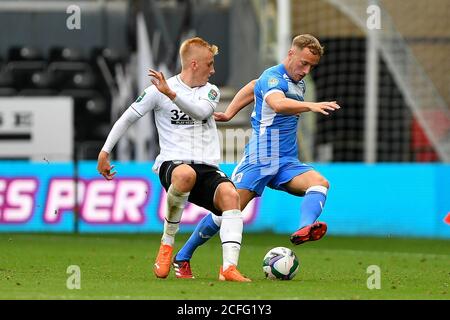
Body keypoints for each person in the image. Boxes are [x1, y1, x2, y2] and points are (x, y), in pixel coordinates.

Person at [172, 34, 340, 278]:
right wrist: (311, 106)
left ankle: (305, 227)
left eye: (311, 66)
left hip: (286, 160)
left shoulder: (297, 81)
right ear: (291, 53)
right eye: (303, 63)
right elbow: (278, 104)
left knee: (320, 183)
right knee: (226, 213)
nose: (306, 70)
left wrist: (229, 112)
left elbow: (253, 85)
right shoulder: (274, 76)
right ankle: (183, 256)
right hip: (261, 157)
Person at [97, 37, 250, 282]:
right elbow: (127, 118)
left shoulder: (210, 91)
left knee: (232, 197)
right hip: (173, 163)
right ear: (193, 64)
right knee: (185, 174)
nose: (213, 70)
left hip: (207, 166)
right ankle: (167, 242)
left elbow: (200, 112)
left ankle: (228, 268)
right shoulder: (156, 91)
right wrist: (105, 152)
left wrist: (171, 93)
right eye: (209, 64)